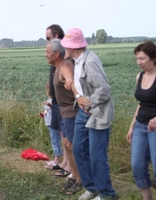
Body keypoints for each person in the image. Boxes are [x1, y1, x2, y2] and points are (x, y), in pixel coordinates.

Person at [61, 28, 116, 200]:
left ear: (73, 46)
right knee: (78, 149)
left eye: (66, 45)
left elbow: (104, 91)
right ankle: (92, 187)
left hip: (97, 113)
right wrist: (79, 97)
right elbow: (81, 86)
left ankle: (107, 194)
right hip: (84, 112)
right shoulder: (77, 61)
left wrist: (88, 101)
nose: (64, 49)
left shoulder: (90, 62)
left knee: (97, 154)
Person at [46, 38, 82, 195]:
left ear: (56, 53)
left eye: (47, 52)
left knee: (72, 145)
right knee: (67, 144)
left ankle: (80, 179)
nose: (45, 55)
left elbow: (71, 81)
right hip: (62, 111)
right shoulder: (57, 67)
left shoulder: (65, 66)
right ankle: (74, 176)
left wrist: (71, 86)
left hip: (71, 112)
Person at [126, 40, 156, 200]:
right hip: (140, 126)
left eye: (143, 58)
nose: (139, 62)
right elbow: (141, 104)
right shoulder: (140, 77)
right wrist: (132, 127)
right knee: (137, 166)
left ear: (153, 58)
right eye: (137, 58)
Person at [44, 24, 70, 174]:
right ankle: (64, 163)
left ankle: (67, 164)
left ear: (56, 36)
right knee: (61, 133)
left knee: (65, 135)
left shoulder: (62, 55)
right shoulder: (54, 55)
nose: (47, 41)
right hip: (55, 100)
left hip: (62, 102)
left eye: (48, 38)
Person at [41, 81, 63, 167]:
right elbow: (48, 111)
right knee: (56, 141)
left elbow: (56, 110)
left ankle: (57, 160)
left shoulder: (54, 101)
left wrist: (50, 106)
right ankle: (57, 158)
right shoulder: (51, 100)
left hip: (53, 123)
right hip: (50, 123)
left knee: (55, 141)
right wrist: (44, 113)